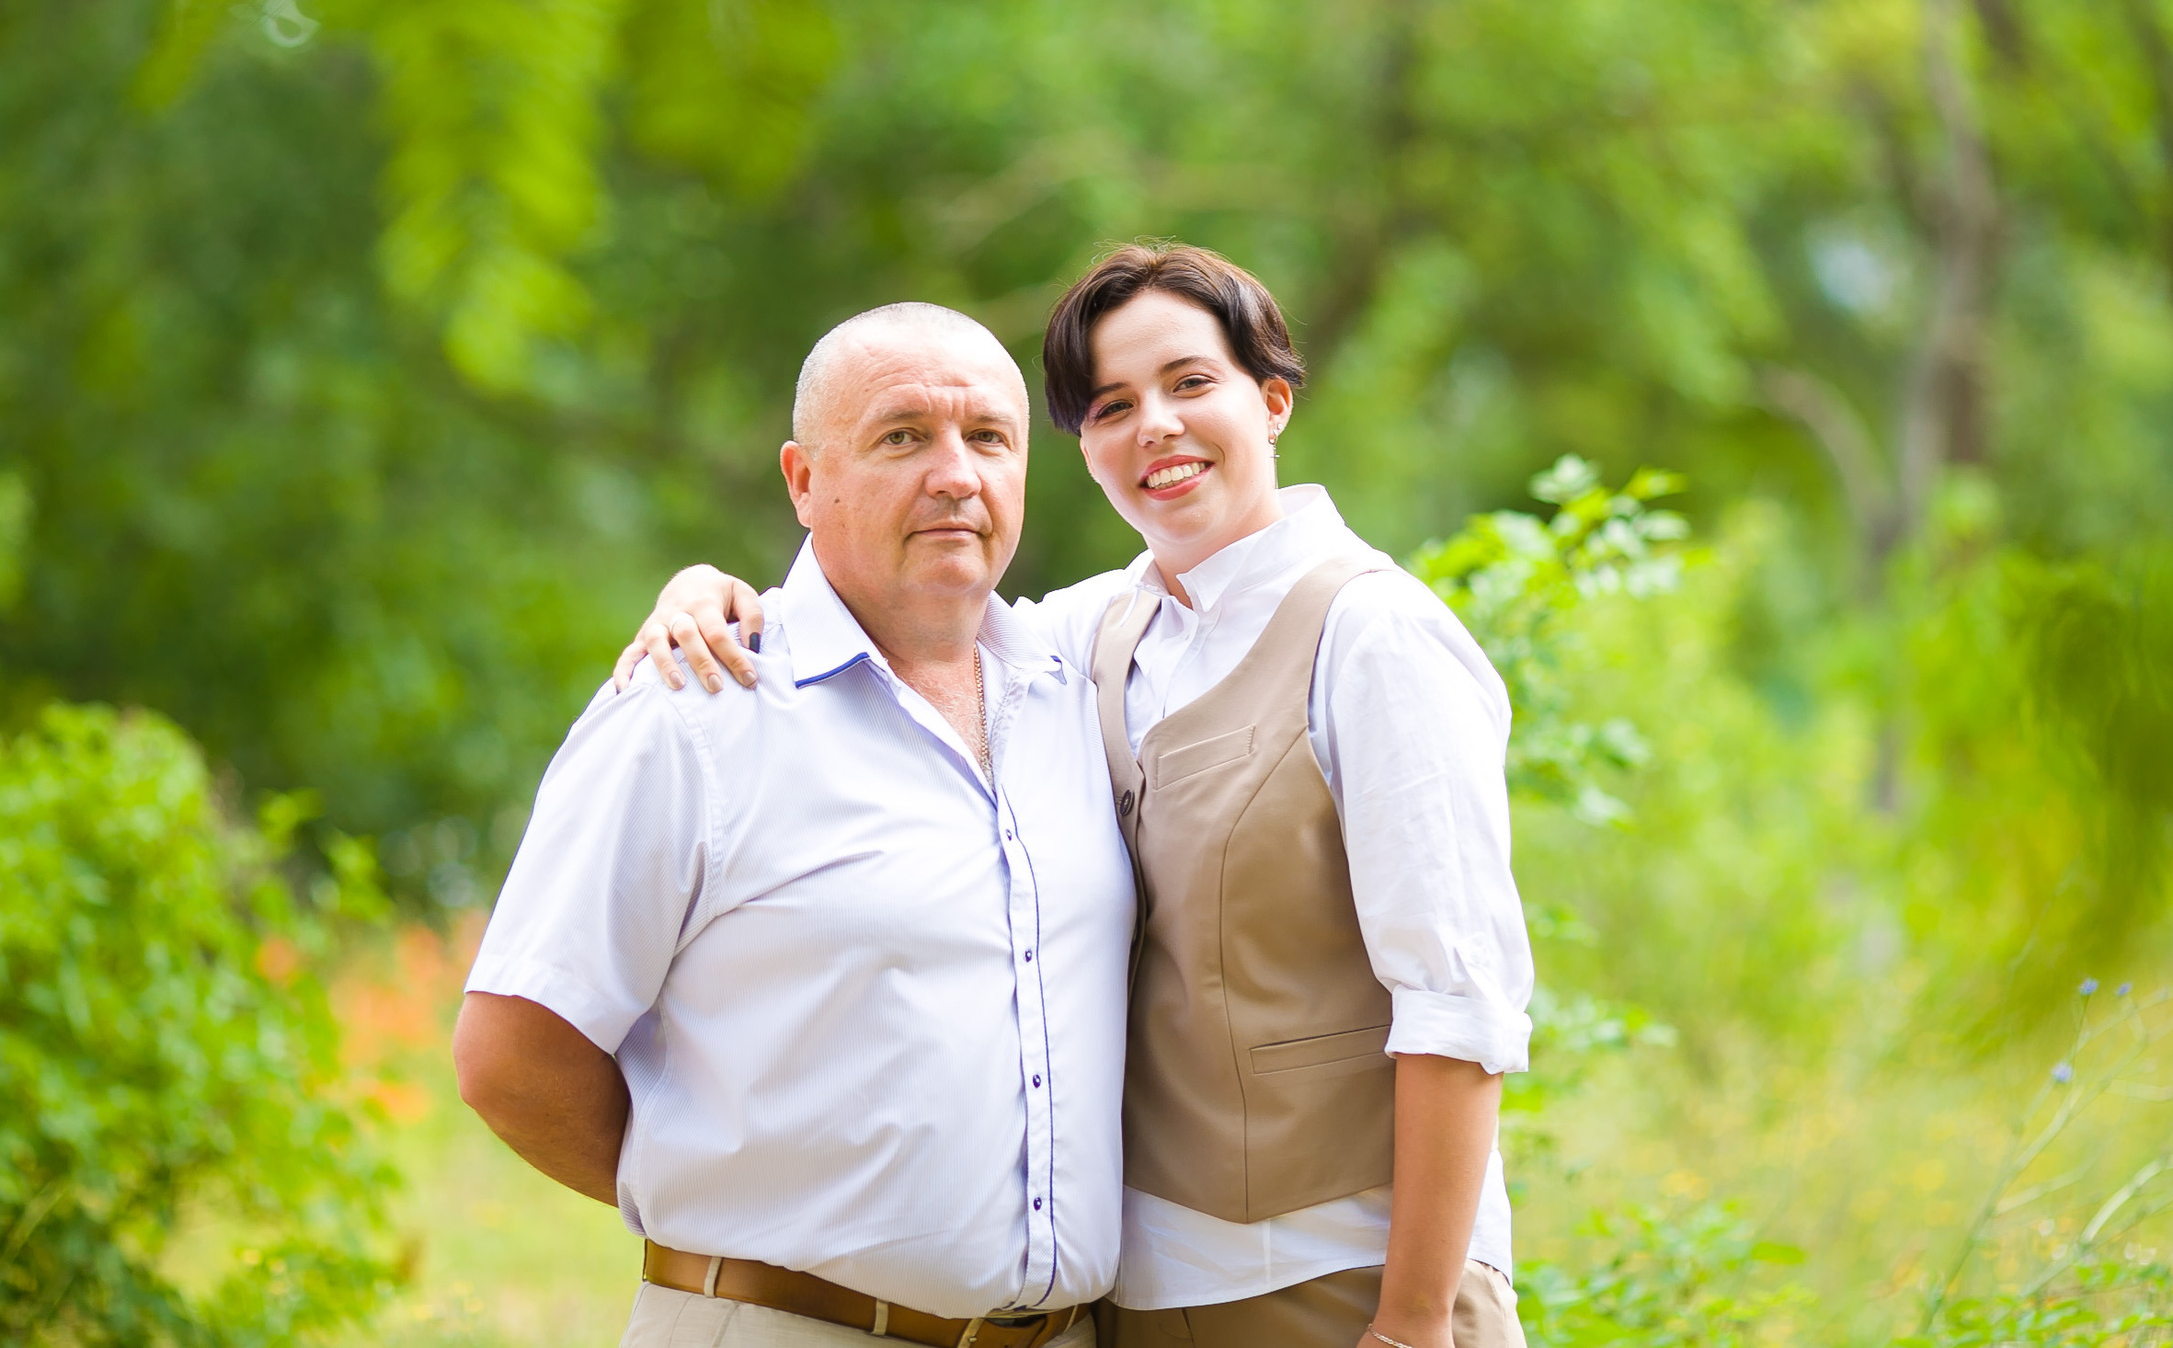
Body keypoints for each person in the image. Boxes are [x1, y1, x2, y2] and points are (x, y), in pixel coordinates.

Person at [620, 246, 1534, 1348]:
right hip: (1135, 1305)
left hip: (1346, 1281)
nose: (1155, 426)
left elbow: (1460, 1004)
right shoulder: (1085, 633)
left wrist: (1414, 1322)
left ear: (1272, 399)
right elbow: (887, 611)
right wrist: (709, 593)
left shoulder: (1376, 635)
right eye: (1111, 406)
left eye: (1190, 382)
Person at [458, 303, 1131, 1348]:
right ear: (803, 480)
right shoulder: (694, 710)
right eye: (903, 436)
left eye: (989, 437)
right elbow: (509, 1056)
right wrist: (734, 1217)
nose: (956, 474)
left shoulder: (1079, 691)